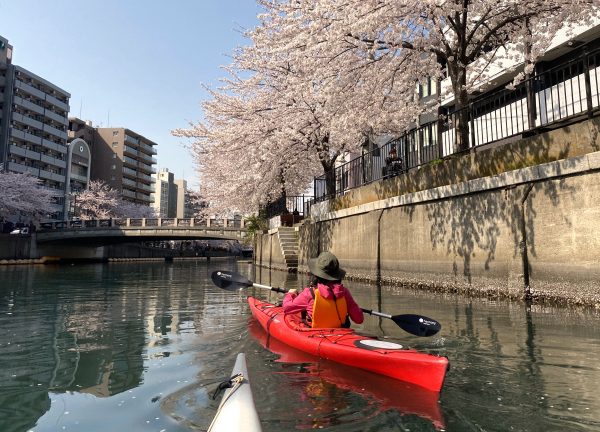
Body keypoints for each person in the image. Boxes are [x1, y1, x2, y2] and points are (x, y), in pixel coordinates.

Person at [283, 251, 364, 328]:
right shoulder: (344, 292)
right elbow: (359, 319)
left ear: (317, 274)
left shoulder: (309, 293)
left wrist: (290, 294)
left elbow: (286, 308)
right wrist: (352, 307)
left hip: (317, 334)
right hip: (340, 331)